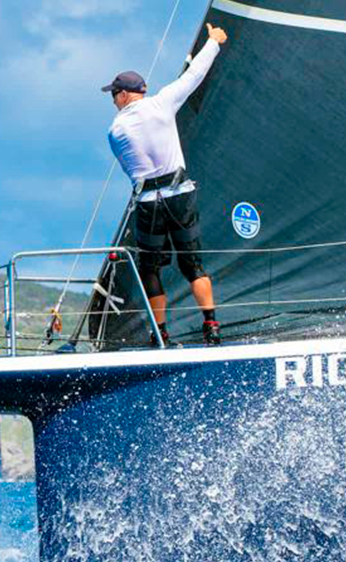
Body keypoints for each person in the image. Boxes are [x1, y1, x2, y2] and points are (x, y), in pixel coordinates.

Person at [103, 22, 229, 346]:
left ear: (125, 94)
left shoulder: (114, 131)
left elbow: (129, 165)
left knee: (151, 270)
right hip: (179, 197)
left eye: (114, 94)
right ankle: (211, 326)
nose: (113, 100)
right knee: (193, 265)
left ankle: (160, 333)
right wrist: (213, 41)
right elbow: (194, 75)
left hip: (147, 203)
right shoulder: (161, 103)